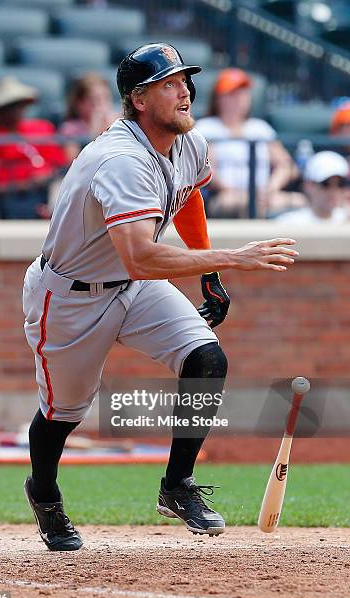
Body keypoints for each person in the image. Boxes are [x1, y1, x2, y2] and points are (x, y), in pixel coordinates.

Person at [22, 43, 298, 551]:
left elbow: (189, 193)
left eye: (185, 81)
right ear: (139, 99)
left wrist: (209, 272)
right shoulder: (120, 159)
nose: (185, 91)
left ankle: (177, 486)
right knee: (63, 413)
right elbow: (142, 257)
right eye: (170, 84)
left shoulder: (188, 141)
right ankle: (43, 492)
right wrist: (236, 257)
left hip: (135, 285)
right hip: (70, 296)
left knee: (207, 358)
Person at [195, 68, 303, 218]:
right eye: (233, 93)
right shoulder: (207, 127)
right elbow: (205, 169)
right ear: (219, 98)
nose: (240, 98)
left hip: (265, 195)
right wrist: (232, 189)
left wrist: (270, 188)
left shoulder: (260, 127)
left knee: (301, 201)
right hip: (226, 195)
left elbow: (286, 165)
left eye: (244, 93)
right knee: (238, 203)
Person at [0, 77, 68, 219]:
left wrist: (46, 179)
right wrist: (27, 183)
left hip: (46, 192)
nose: (17, 110)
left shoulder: (41, 128)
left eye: (19, 104)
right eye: (10, 105)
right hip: (5, 200)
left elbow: (58, 166)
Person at [59, 73, 120, 164]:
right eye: (94, 100)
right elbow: (71, 163)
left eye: (105, 98)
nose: (101, 105)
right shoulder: (70, 128)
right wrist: (94, 133)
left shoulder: (120, 121)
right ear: (79, 104)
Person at [275, 151, 349, 223]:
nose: (333, 191)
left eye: (340, 184)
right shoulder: (289, 222)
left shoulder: (346, 220)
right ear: (308, 185)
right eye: (325, 184)